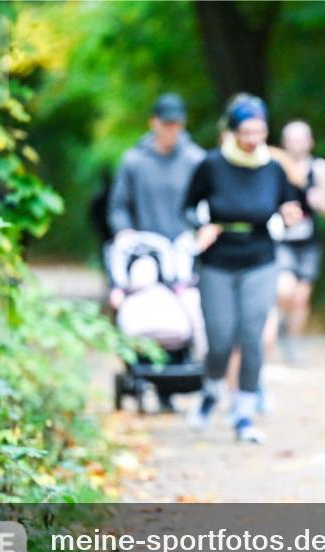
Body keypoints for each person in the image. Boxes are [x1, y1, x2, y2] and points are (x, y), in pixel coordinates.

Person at [183, 93, 304, 444]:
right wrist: (200, 226)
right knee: (220, 339)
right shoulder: (212, 165)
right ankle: (211, 390)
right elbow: (188, 207)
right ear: (233, 131)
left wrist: (289, 213)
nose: (253, 139)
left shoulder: (273, 168)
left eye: (260, 132)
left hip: (260, 257)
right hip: (217, 259)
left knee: (253, 337)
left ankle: (244, 414)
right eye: (246, 132)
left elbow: (287, 204)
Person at [107, 92, 207, 412]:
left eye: (177, 125)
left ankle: (179, 379)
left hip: (183, 254)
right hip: (145, 255)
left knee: (186, 313)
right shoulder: (134, 161)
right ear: (154, 124)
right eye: (166, 125)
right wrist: (125, 233)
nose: (172, 131)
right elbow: (118, 206)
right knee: (147, 315)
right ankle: (145, 374)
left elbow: (205, 203)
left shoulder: (194, 160)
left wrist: (199, 230)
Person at [275, 119, 325, 363]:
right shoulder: (276, 167)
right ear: (284, 143)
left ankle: (293, 343)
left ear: (310, 142)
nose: (297, 144)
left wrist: (318, 201)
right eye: (291, 139)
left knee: (301, 297)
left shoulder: (319, 168)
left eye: (301, 138)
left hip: (308, 241)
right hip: (282, 240)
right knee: (284, 289)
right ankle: (277, 324)